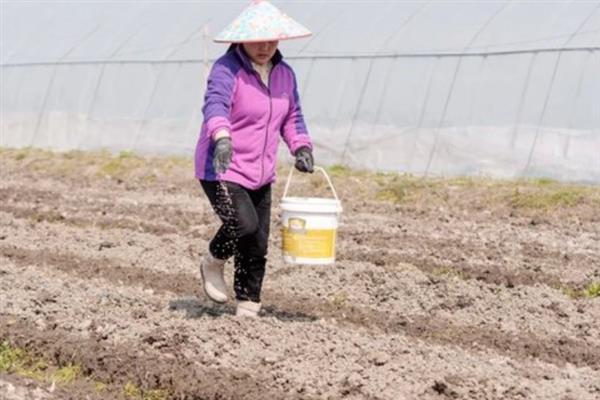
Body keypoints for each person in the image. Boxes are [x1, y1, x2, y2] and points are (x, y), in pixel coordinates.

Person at [194, 0, 314, 317]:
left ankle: (248, 306)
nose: (264, 47)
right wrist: (221, 138)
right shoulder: (226, 69)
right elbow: (215, 105)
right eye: (258, 40)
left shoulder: (285, 74)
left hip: (262, 171)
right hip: (222, 166)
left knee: (258, 242)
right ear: (243, 39)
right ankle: (213, 261)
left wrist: (301, 146)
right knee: (242, 225)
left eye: (271, 41)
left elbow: (293, 116)